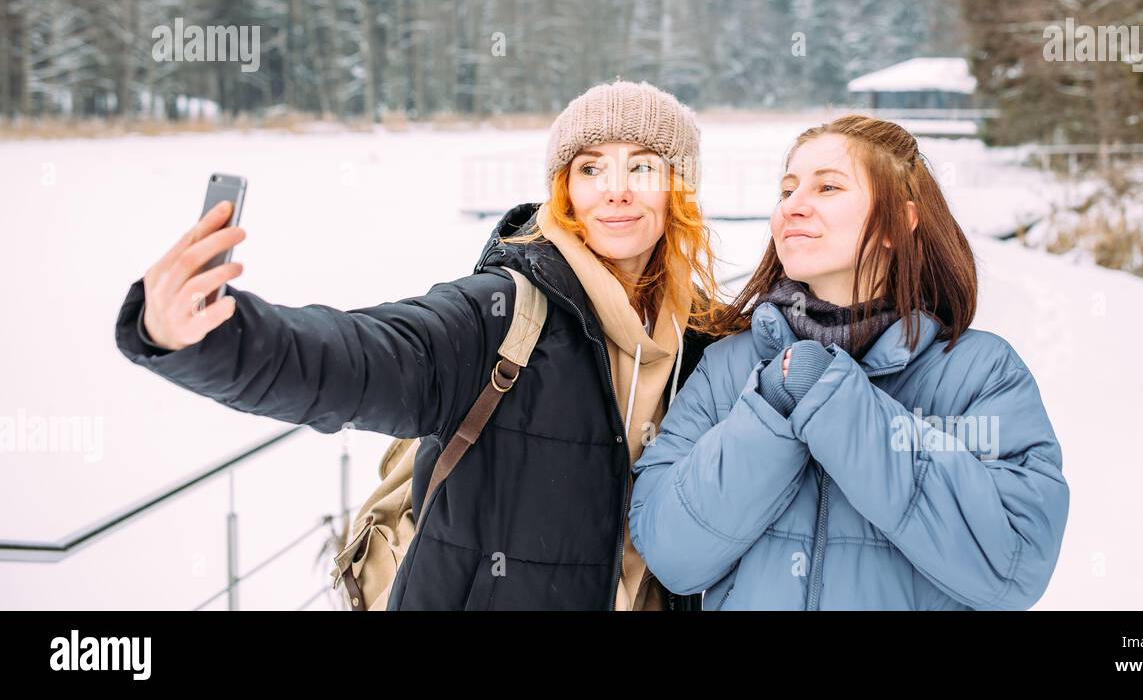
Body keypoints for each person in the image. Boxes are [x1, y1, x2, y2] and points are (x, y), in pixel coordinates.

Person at [114, 79, 727, 610]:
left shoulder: (703, 337)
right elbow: (361, 355)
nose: (615, 189)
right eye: (591, 167)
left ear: (679, 187)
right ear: (564, 190)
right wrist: (215, 338)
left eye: (642, 165)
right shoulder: (504, 311)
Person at [628, 115, 1070, 610]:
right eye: (787, 190)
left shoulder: (980, 372)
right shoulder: (728, 368)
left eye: (828, 187)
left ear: (897, 223)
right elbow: (671, 555)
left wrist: (836, 403)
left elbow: (1013, 567)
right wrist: (770, 412)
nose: (793, 207)